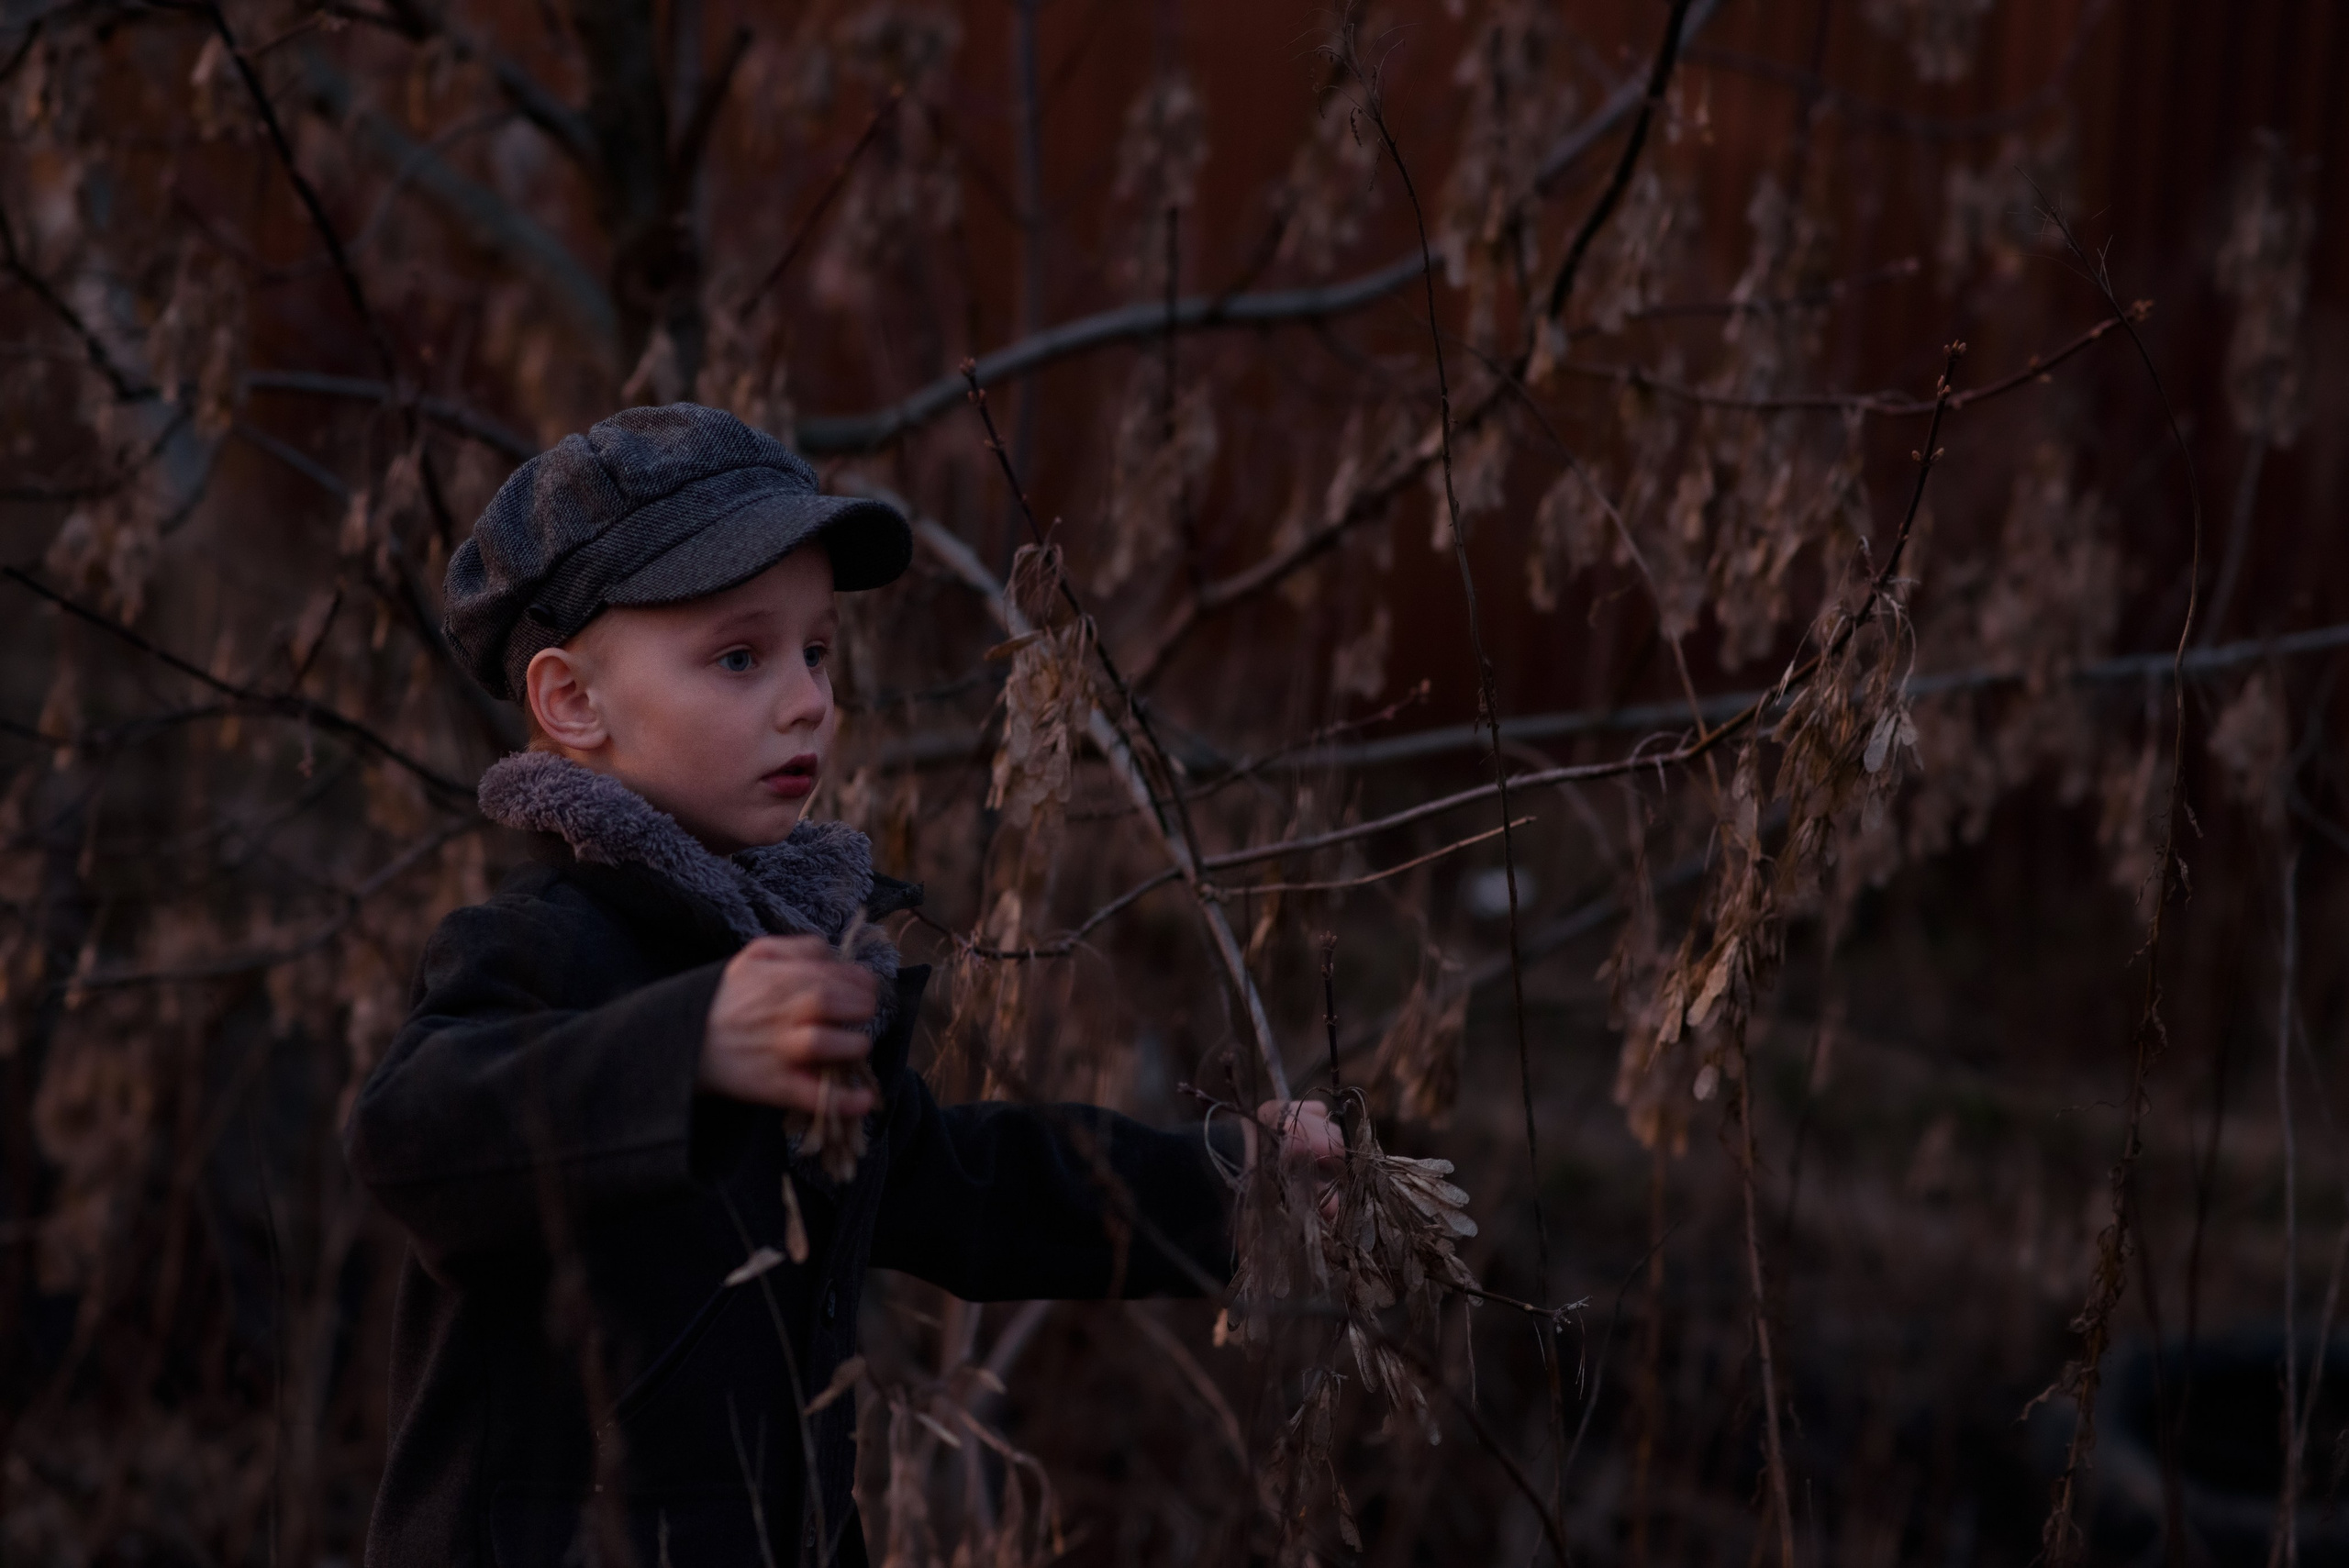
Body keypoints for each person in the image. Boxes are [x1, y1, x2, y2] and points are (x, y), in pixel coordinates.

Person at [345, 403, 1335, 1567]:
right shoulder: (540, 946)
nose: (808, 697)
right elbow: (412, 1130)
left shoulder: (779, 955)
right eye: (739, 656)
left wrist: (1233, 1181)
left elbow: (972, 1186)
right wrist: (690, 1048)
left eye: (816, 651)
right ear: (572, 702)